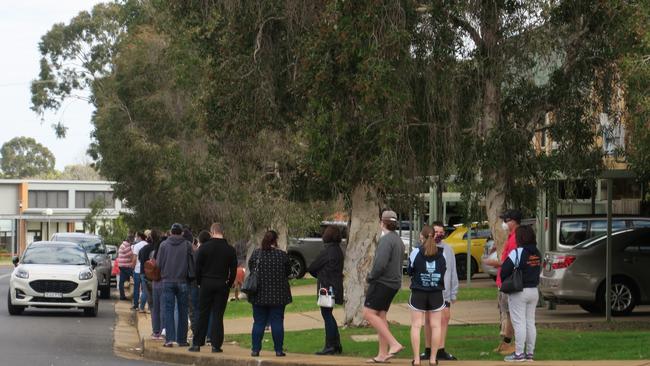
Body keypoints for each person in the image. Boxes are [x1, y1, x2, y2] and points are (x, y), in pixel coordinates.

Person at [363, 210, 405, 363]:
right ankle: (382, 354)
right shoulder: (398, 240)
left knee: (368, 313)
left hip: (382, 283)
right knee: (381, 316)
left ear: (382, 223)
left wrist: (370, 277)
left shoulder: (386, 240)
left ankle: (394, 344)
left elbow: (380, 264)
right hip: (393, 284)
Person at [189, 224, 237, 353]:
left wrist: (200, 282)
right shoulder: (230, 250)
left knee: (203, 313)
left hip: (206, 282)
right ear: (222, 232)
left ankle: (197, 343)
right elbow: (233, 271)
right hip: (222, 283)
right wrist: (229, 283)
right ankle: (216, 345)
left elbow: (197, 268)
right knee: (218, 315)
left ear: (212, 232)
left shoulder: (204, 248)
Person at [248, 230, 292, 357]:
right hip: (278, 295)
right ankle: (278, 350)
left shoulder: (257, 254)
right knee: (277, 322)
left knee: (258, 322)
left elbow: (251, 269)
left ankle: (255, 349)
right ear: (275, 240)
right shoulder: (281, 255)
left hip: (259, 294)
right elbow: (288, 272)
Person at [418, 223, 459, 361]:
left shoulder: (448, 250)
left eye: (442, 232)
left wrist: (453, 292)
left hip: (444, 292)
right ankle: (428, 349)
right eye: (436, 231)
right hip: (429, 290)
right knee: (429, 321)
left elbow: (452, 272)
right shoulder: (423, 249)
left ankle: (441, 349)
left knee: (444, 319)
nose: (439, 234)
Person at [501, 225, 541, 362]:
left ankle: (519, 354)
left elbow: (504, 270)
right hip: (534, 291)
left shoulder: (517, 252)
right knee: (530, 322)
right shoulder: (537, 252)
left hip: (519, 291)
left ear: (519, 238)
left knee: (519, 323)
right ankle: (530, 353)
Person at [408, 224, 447, 366]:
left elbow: (410, 270)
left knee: (416, 325)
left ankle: (417, 359)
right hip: (436, 293)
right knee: (436, 326)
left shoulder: (415, 252)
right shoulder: (442, 253)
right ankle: (432, 359)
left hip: (418, 292)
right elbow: (444, 270)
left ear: (421, 237)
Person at [484, 209, 521, 355]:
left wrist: (492, 262)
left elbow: (509, 262)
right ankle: (506, 343)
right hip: (504, 281)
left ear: (513, 221)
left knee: (513, 314)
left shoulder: (516, 238)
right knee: (508, 314)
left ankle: (516, 346)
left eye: (506, 220)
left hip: (510, 282)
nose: (504, 223)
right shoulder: (510, 237)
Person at [307, 225, 344, 356]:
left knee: (326, 315)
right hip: (336, 285)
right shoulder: (339, 250)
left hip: (326, 288)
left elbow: (312, 267)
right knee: (329, 314)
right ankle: (336, 343)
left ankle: (330, 345)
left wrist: (320, 275)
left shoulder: (327, 251)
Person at [158, 223, 194, 347]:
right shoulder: (187, 245)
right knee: (183, 310)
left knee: (168, 309)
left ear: (171, 232)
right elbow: (191, 262)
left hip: (167, 280)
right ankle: (182, 339)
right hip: (182, 280)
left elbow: (159, 264)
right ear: (181, 233)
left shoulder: (163, 245)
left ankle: (169, 339)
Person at [148, 230, 165, 340]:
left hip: (155, 282)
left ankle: (156, 331)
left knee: (155, 308)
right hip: (163, 282)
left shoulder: (153, 253)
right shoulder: (164, 253)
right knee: (163, 308)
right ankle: (163, 329)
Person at [132, 232, 149, 310]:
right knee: (145, 289)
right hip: (146, 270)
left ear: (139, 237)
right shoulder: (147, 244)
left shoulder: (136, 246)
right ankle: (144, 306)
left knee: (136, 288)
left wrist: (132, 267)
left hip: (137, 270)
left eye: (136, 236)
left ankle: (136, 305)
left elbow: (134, 258)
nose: (135, 238)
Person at [117, 235, 135, 301]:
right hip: (126, 266)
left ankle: (122, 296)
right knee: (136, 279)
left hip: (121, 266)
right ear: (130, 240)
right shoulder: (127, 246)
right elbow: (132, 256)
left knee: (121, 281)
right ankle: (135, 296)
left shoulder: (122, 245)